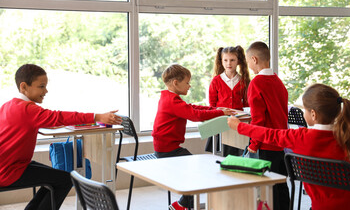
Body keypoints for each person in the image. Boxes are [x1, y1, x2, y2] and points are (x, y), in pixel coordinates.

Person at [0, 64, 123, 210]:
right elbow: (57, 117)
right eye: (41, 86)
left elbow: (42, 121)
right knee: (65, 179)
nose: (46, 91)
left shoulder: (9, 105)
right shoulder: (28, 109)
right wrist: (97, 117)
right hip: (8, 172)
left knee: (57, 177)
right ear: (24, 87)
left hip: (12, 165)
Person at [228, 83, 350, 210]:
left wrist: (239, 126)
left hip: (318, 207)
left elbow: (268, 134)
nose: (304, 113)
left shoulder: (300, 137)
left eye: (305, 109)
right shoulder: (349, 140)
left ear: (313, 114)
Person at [152, 63, 234, 210]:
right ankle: (181, 205)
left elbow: (192, 108)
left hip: (167, 147)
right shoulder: (171, 101)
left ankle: (182, 205)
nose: (189, 86)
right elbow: (195, 115)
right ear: (176, 83)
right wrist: (221, 113)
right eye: (187, 82)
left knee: (196, 174)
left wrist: (216, 109)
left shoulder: (169, 98)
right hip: (168, 150)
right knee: (198, 173)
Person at [244, 41, 290, 210]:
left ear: (254, 59)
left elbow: (258, 120)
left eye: (248, 61)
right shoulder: (278, 81)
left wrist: (253, 145)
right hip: (281, 143)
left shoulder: (256, 83)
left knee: (266, 189)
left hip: (265, 144)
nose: (248, 65)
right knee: (281, 185)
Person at [206, 45, 250, 156]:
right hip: (221, 122)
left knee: (237, 154)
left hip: (238, 123)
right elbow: (212, 105)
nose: (229, 63)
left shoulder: (243, 81)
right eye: (225, 60)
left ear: (238, 61)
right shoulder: (216, 81)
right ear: (221, 61)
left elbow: (247, 105)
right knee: (221, 154)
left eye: (232, 60)